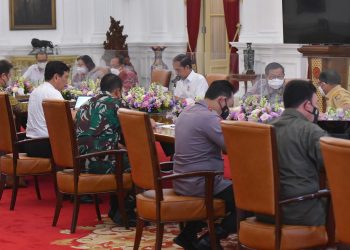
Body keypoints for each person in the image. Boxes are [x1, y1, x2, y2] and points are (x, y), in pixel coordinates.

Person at [173, 80, 236, 249]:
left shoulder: (188, 110)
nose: (228, 109)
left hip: (181, 179)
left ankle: (187, 235)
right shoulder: (209, 117)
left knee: (232, 192)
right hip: (202, 182)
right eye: (229, 105)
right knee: (249, 199)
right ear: (222, 100)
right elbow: (231, 147)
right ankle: (210, 239)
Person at [257, 80, 328, 226]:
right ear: (307, 105)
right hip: (301, 211)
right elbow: (336, 167)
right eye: (316, 106)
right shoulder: (311, 131)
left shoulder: (263, 129)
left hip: (264, 211)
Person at [75, 73, 135, 224]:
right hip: (102, 161)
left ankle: (116, 209)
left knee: (122, 155)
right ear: (117, 91)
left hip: (81, 162)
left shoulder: (85, 105)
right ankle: (124, 211)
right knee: (139, 164)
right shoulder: (117, 104)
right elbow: (135, 128)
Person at [26, 61, 70, 158]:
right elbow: (67, 117)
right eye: (66, 77)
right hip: (47, 146)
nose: (67, 82)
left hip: (30, 144)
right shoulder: (53, 93)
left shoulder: (35, 91)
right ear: (56, 77)